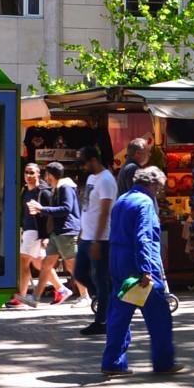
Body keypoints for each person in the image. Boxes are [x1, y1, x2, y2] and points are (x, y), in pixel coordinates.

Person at [101, 165, 181, 377]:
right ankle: (163, 362)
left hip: (118, 260)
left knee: (119, 314)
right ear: (152, 184)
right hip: (137, 263)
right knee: (159, 314)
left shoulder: (122, 200)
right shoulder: (145, 202)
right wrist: (145, 268)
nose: (159, 192)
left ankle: (113, 362)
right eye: (159, 188)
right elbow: (143, 237)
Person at [75, 144, 121, 337]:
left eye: (84, 163)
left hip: (100, 239)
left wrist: (96, 240)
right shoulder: (92, 178)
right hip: (87, 237)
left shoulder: (107, 180)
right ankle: (107, 301)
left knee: (100, 278)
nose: (82, 167)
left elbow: (105, 212)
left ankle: (102, 320)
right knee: (79, 273)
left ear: (93, 160)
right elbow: (88, 208)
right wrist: (82, 232)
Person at [7, 164, 50, 309]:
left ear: (38, 174)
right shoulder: (25, 191)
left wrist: (46, 236)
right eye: (26, 172)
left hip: (36, 231)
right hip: (27, 230)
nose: (28, 175)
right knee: (39, 263)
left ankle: (21, 297)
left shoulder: (43, 192)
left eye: (32, 173)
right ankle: (61, 289)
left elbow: (48, 215)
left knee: (23, 260)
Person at [36, 162, 80, 304]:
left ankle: (85, 295)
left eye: (46, 174)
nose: (45, 177)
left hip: (66, 231)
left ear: (50, 175)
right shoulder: (58, 187)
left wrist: (42, 209)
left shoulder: (65, 187)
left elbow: (66, 208)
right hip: (57, 232)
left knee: (71, 265)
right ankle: (35, 297)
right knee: (46, 265)